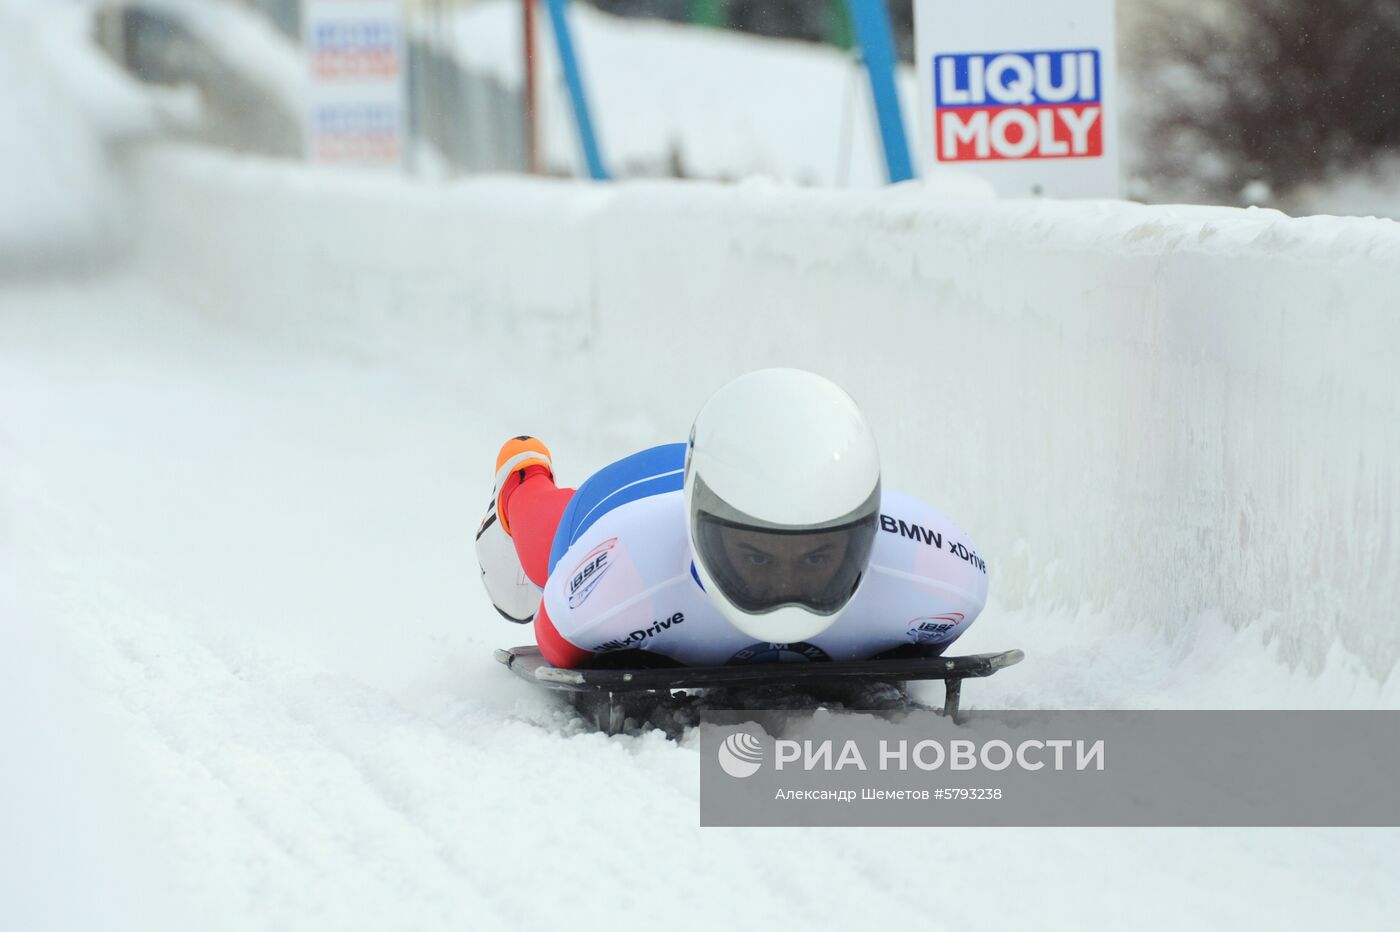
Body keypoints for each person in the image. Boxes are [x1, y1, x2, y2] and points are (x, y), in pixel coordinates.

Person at [475, 368, 988, 669]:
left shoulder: (947, 575)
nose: (786, 583)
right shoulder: (622, 564)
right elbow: (556, 641)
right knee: (552, 551)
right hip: (631, 496)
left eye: (816, 555)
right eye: (757, 555)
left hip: (716, 488)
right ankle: (523, 481)